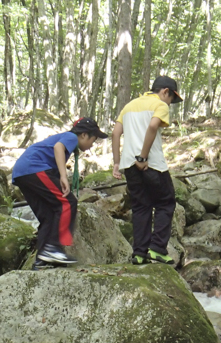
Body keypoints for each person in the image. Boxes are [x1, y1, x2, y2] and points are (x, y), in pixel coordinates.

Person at [12, 117, 108, 270]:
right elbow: (58, 148)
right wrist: (63, 176)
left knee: (48, 216)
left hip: (22, 172)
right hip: (34, 168)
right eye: (93, 140)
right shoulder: (71, 137)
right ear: (83, 135)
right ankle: (53, 249)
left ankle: (42, 260)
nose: (91, 145)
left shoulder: (68, 139)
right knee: (68, 202)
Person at [112, 75, 183, 265]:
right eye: (171, 98)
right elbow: (153, 125)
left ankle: (139, 253)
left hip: (128, 165)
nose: (170, 103)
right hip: (150, 164)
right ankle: (157, 249)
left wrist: (117, 163)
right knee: (165, 203)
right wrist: (143, 157)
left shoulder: (129, 106)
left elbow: (116, 133)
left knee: (141, 207)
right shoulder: (160, 105)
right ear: (165, 91)